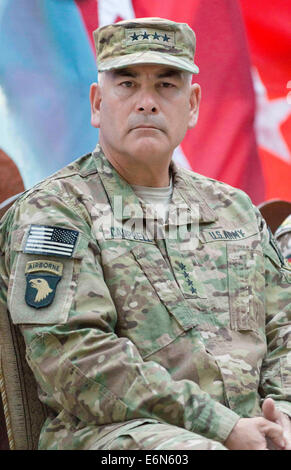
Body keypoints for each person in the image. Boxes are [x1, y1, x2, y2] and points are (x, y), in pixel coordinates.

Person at [0, 17, 290, 451]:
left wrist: (283, 412)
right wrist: (223, 427)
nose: (147, 102)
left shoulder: (235, 209)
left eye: (166, 86)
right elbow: (74, 360)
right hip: (116, 436)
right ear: (98, 104)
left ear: (192, 105)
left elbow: (284, 327)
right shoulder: (55, 212)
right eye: (128, 85)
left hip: (254, 429)